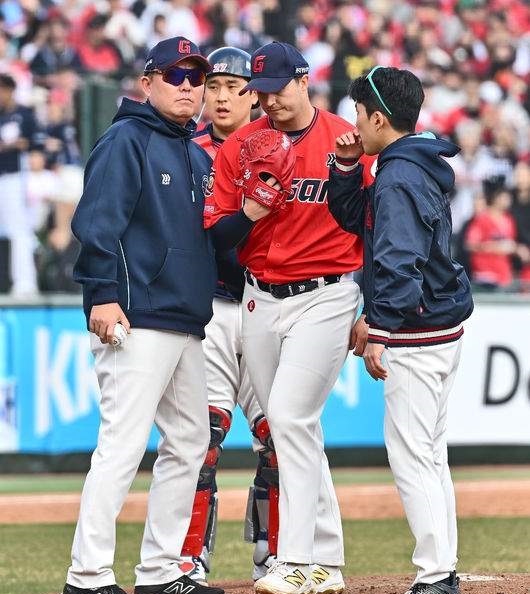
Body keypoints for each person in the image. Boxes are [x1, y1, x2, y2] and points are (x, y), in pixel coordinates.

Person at [203, 41, 374, 594]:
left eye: (278, 89)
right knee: (297, 427)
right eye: (261, 91)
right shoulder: (242, 146)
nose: (269, 100)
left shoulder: (345, 140)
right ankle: (327, 558)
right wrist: (251, 210)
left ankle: (296, 559)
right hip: (259, 294)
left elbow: (375, 226)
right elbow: (217, 237)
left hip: (327, 292)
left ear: (303, 81)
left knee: (289, 417)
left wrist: (371, 307)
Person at [63, 37, 224, 594]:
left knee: (190, 443)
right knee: (123, 446)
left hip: (185, 321)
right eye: (175, 76)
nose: (188, 86)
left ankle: (158, 571)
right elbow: (96, 224)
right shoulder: (125, 139)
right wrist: (102, 293)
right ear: (147, 82)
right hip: (134, 317)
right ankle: (87, 577)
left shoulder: (196, 154)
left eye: (196, 77)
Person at [326, 66, 474, 594]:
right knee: (430, 454)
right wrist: (347, 169)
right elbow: (363, 223)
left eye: (359, 113)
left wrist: (381, 326)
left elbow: (397, 259)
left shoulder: (397, 176)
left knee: (413, 456)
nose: (354, 124)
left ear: (378, 118)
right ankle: (443, 566)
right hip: (439, 325)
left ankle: (436, 574)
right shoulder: (413, 162)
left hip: (417, 332)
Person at [182, 46, 278, 585]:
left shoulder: (280, 147)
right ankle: (190, 556)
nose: (221, 98)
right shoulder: (189, 150)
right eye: (213, 87)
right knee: (203, 440)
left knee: (278, 438)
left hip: (269, 301)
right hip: (213, 306)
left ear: (254, 96)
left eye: (233, 88)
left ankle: (274, 553)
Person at [0, 73, 40, 295]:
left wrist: (15, 145)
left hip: (17, 177)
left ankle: (25, 283)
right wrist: (11, 145)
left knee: (19, 229)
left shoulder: (24, 114)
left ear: (10, 90)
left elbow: (35, 143)